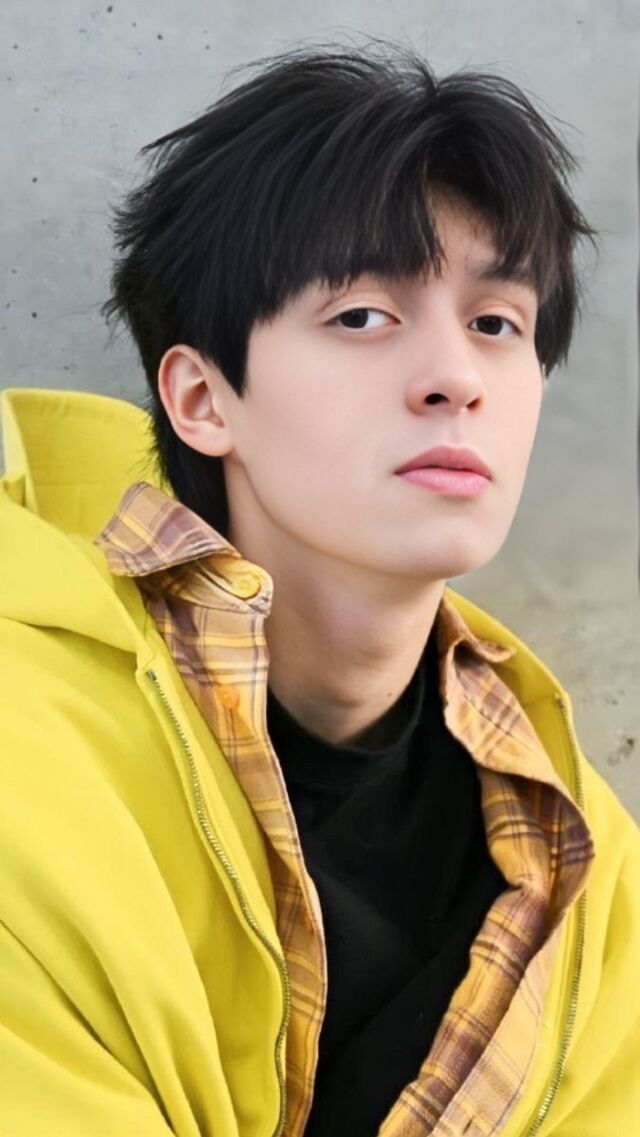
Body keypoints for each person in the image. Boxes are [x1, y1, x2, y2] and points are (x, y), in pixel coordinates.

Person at [0, 40, 638, 1137]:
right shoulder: (27, 757)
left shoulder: (588, 860)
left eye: (497, 323)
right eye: (362, 318)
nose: (456, 378)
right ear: (202, 399)